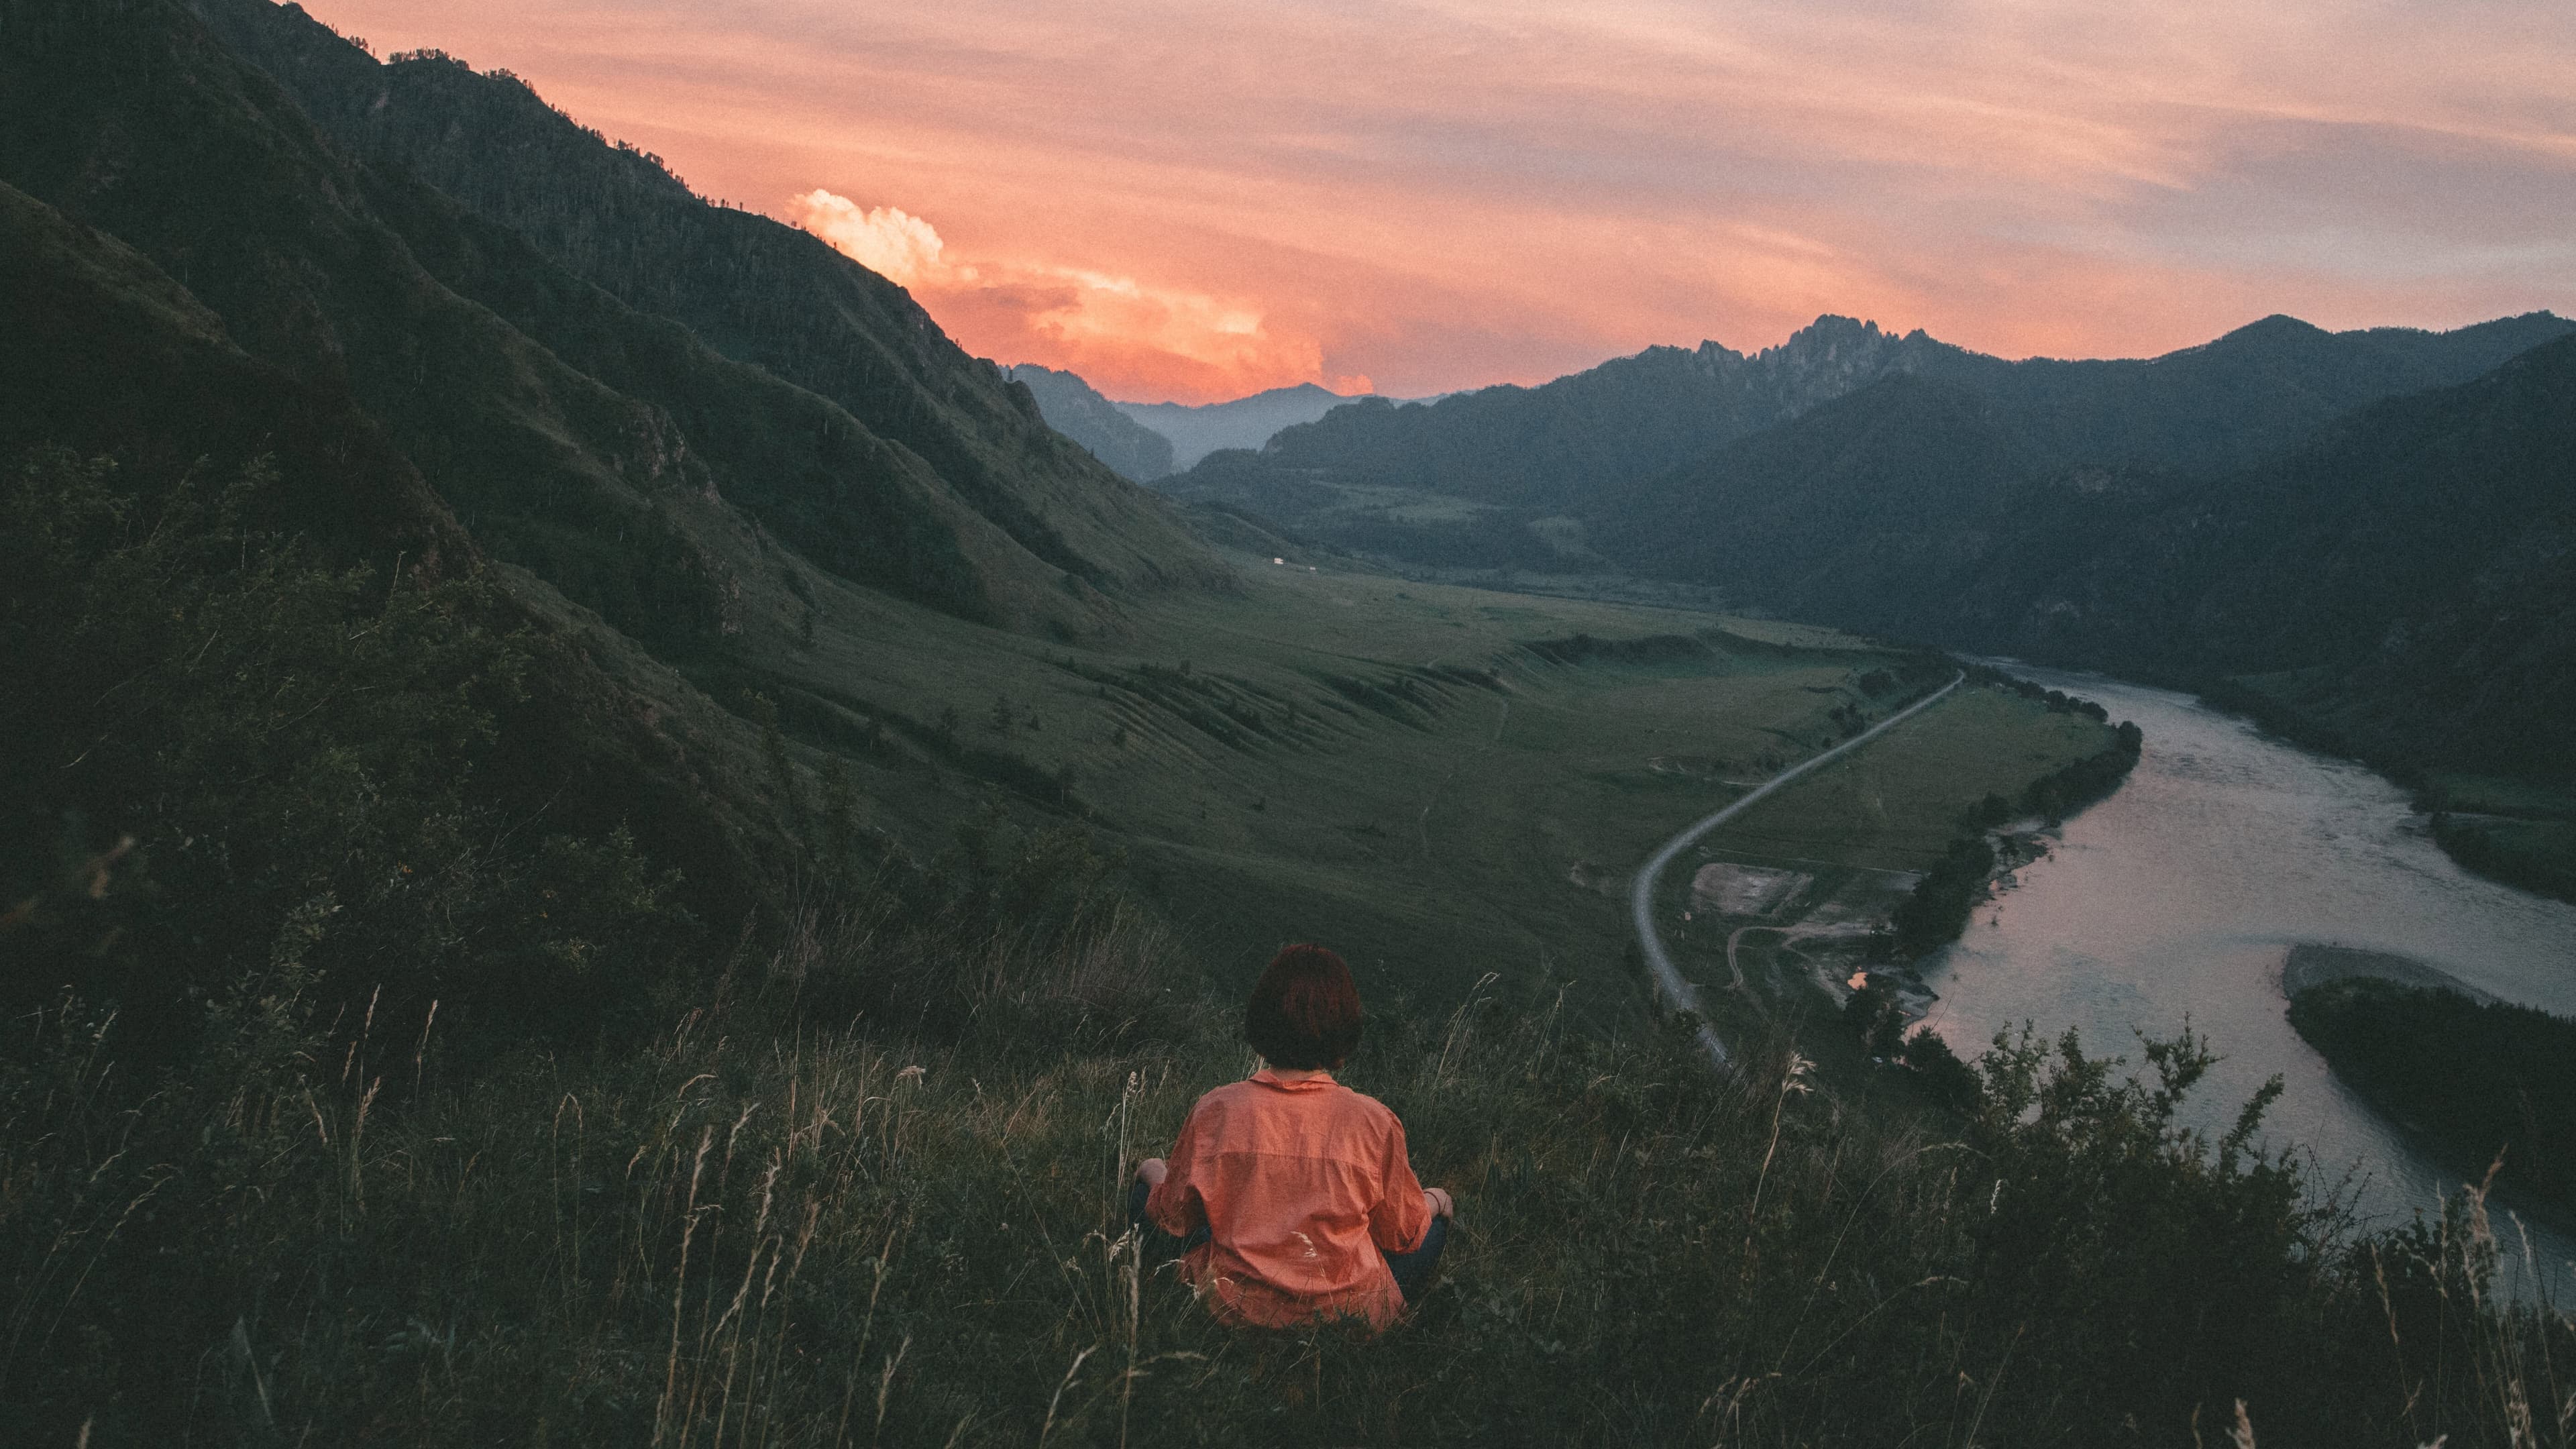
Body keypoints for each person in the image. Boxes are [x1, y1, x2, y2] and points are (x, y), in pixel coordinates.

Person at [1130, 943, 1454, 1330]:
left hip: (1233, 1308)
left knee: (1147, 1203)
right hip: (1346, 1319)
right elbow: (1402, 1236)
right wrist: (1437, 1201)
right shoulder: (1375, 1122)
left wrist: (1152, 1172)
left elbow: (1174, 1218)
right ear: (1345, 1028)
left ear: (1262, 1021)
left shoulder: (1216, 1110)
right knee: (1433, 1230)